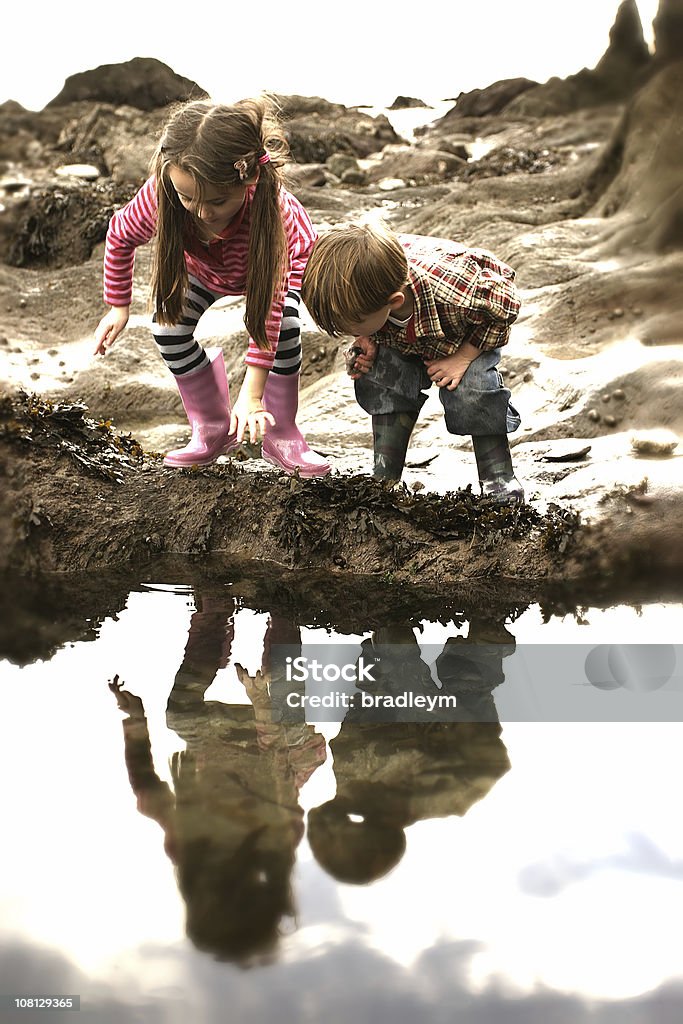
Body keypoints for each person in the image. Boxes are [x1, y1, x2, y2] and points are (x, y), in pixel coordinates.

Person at [94, 96, 330, 477]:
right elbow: (120, 234)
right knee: (167, 327)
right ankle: (212, 427)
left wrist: (251, 396)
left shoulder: (275, 214)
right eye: (187, 197)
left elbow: (267, 312)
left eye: (218, 200)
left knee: (285, 325)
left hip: (275, 269)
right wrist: (117, 304)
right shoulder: (162, 194)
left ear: (249, 177)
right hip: (207, 270)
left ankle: (282, 432)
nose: (202, 212)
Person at [301, 221, 523, 501]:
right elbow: (367, 317)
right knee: (379, 375)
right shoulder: (371, 290)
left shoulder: (455, 291)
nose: (351, 335)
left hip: (464, 334)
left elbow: (506, 305)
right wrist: (366, 338)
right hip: (405, 331)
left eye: (355, 326)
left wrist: (463, 357)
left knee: (472, 390)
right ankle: (386, 473)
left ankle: (498, 477)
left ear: (393, 301)